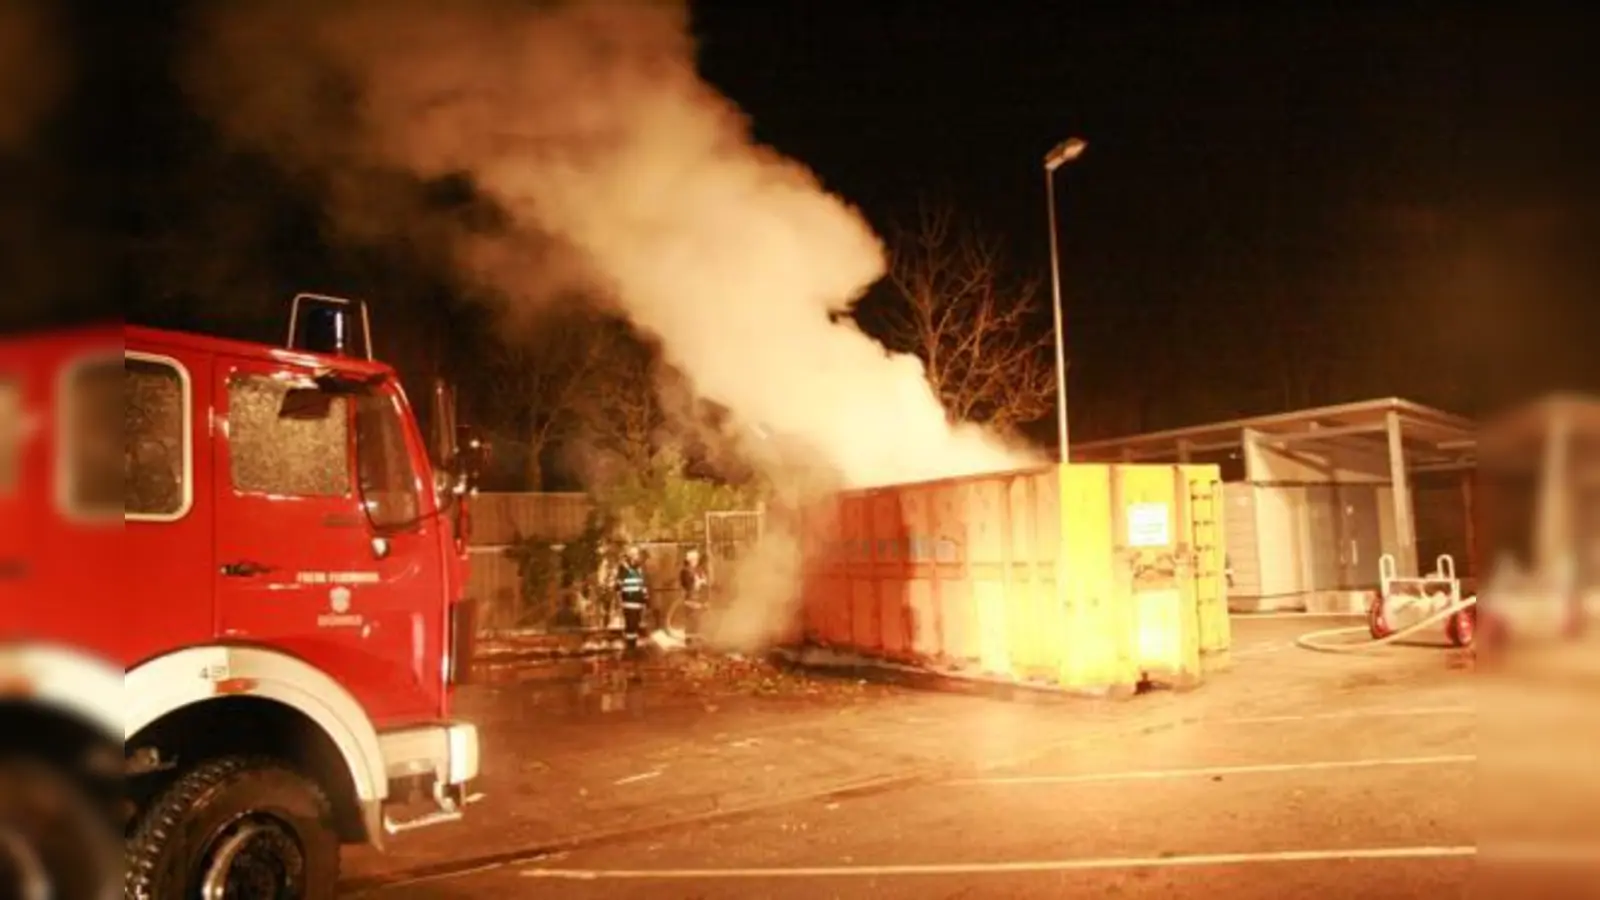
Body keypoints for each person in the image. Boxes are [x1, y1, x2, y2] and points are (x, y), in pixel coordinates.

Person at [613, 546, 651, 656]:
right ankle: (630, 646)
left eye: (637, 555)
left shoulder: (639, 568)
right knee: (630, 624)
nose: (636, 557)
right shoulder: (624, 568)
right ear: (630, 556)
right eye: (634, 555)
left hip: (638, 601)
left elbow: (642, 585)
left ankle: (632, 645)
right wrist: (618, 589)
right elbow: (619, 583)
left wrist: (646, 599)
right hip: (629, 601)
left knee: (635, 624)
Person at [678, 548, 710, 649]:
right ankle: (689, 641)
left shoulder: (698, 570)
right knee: (691, 620)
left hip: (699, 599)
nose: (696, 561)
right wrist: (698, 582)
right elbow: (688, 586)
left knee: (698, 621)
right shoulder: (685, 571)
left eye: (696, 559)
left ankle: (696, 640)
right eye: (694, 559)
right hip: (690, 600)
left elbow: (705, 583)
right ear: (690, 560)